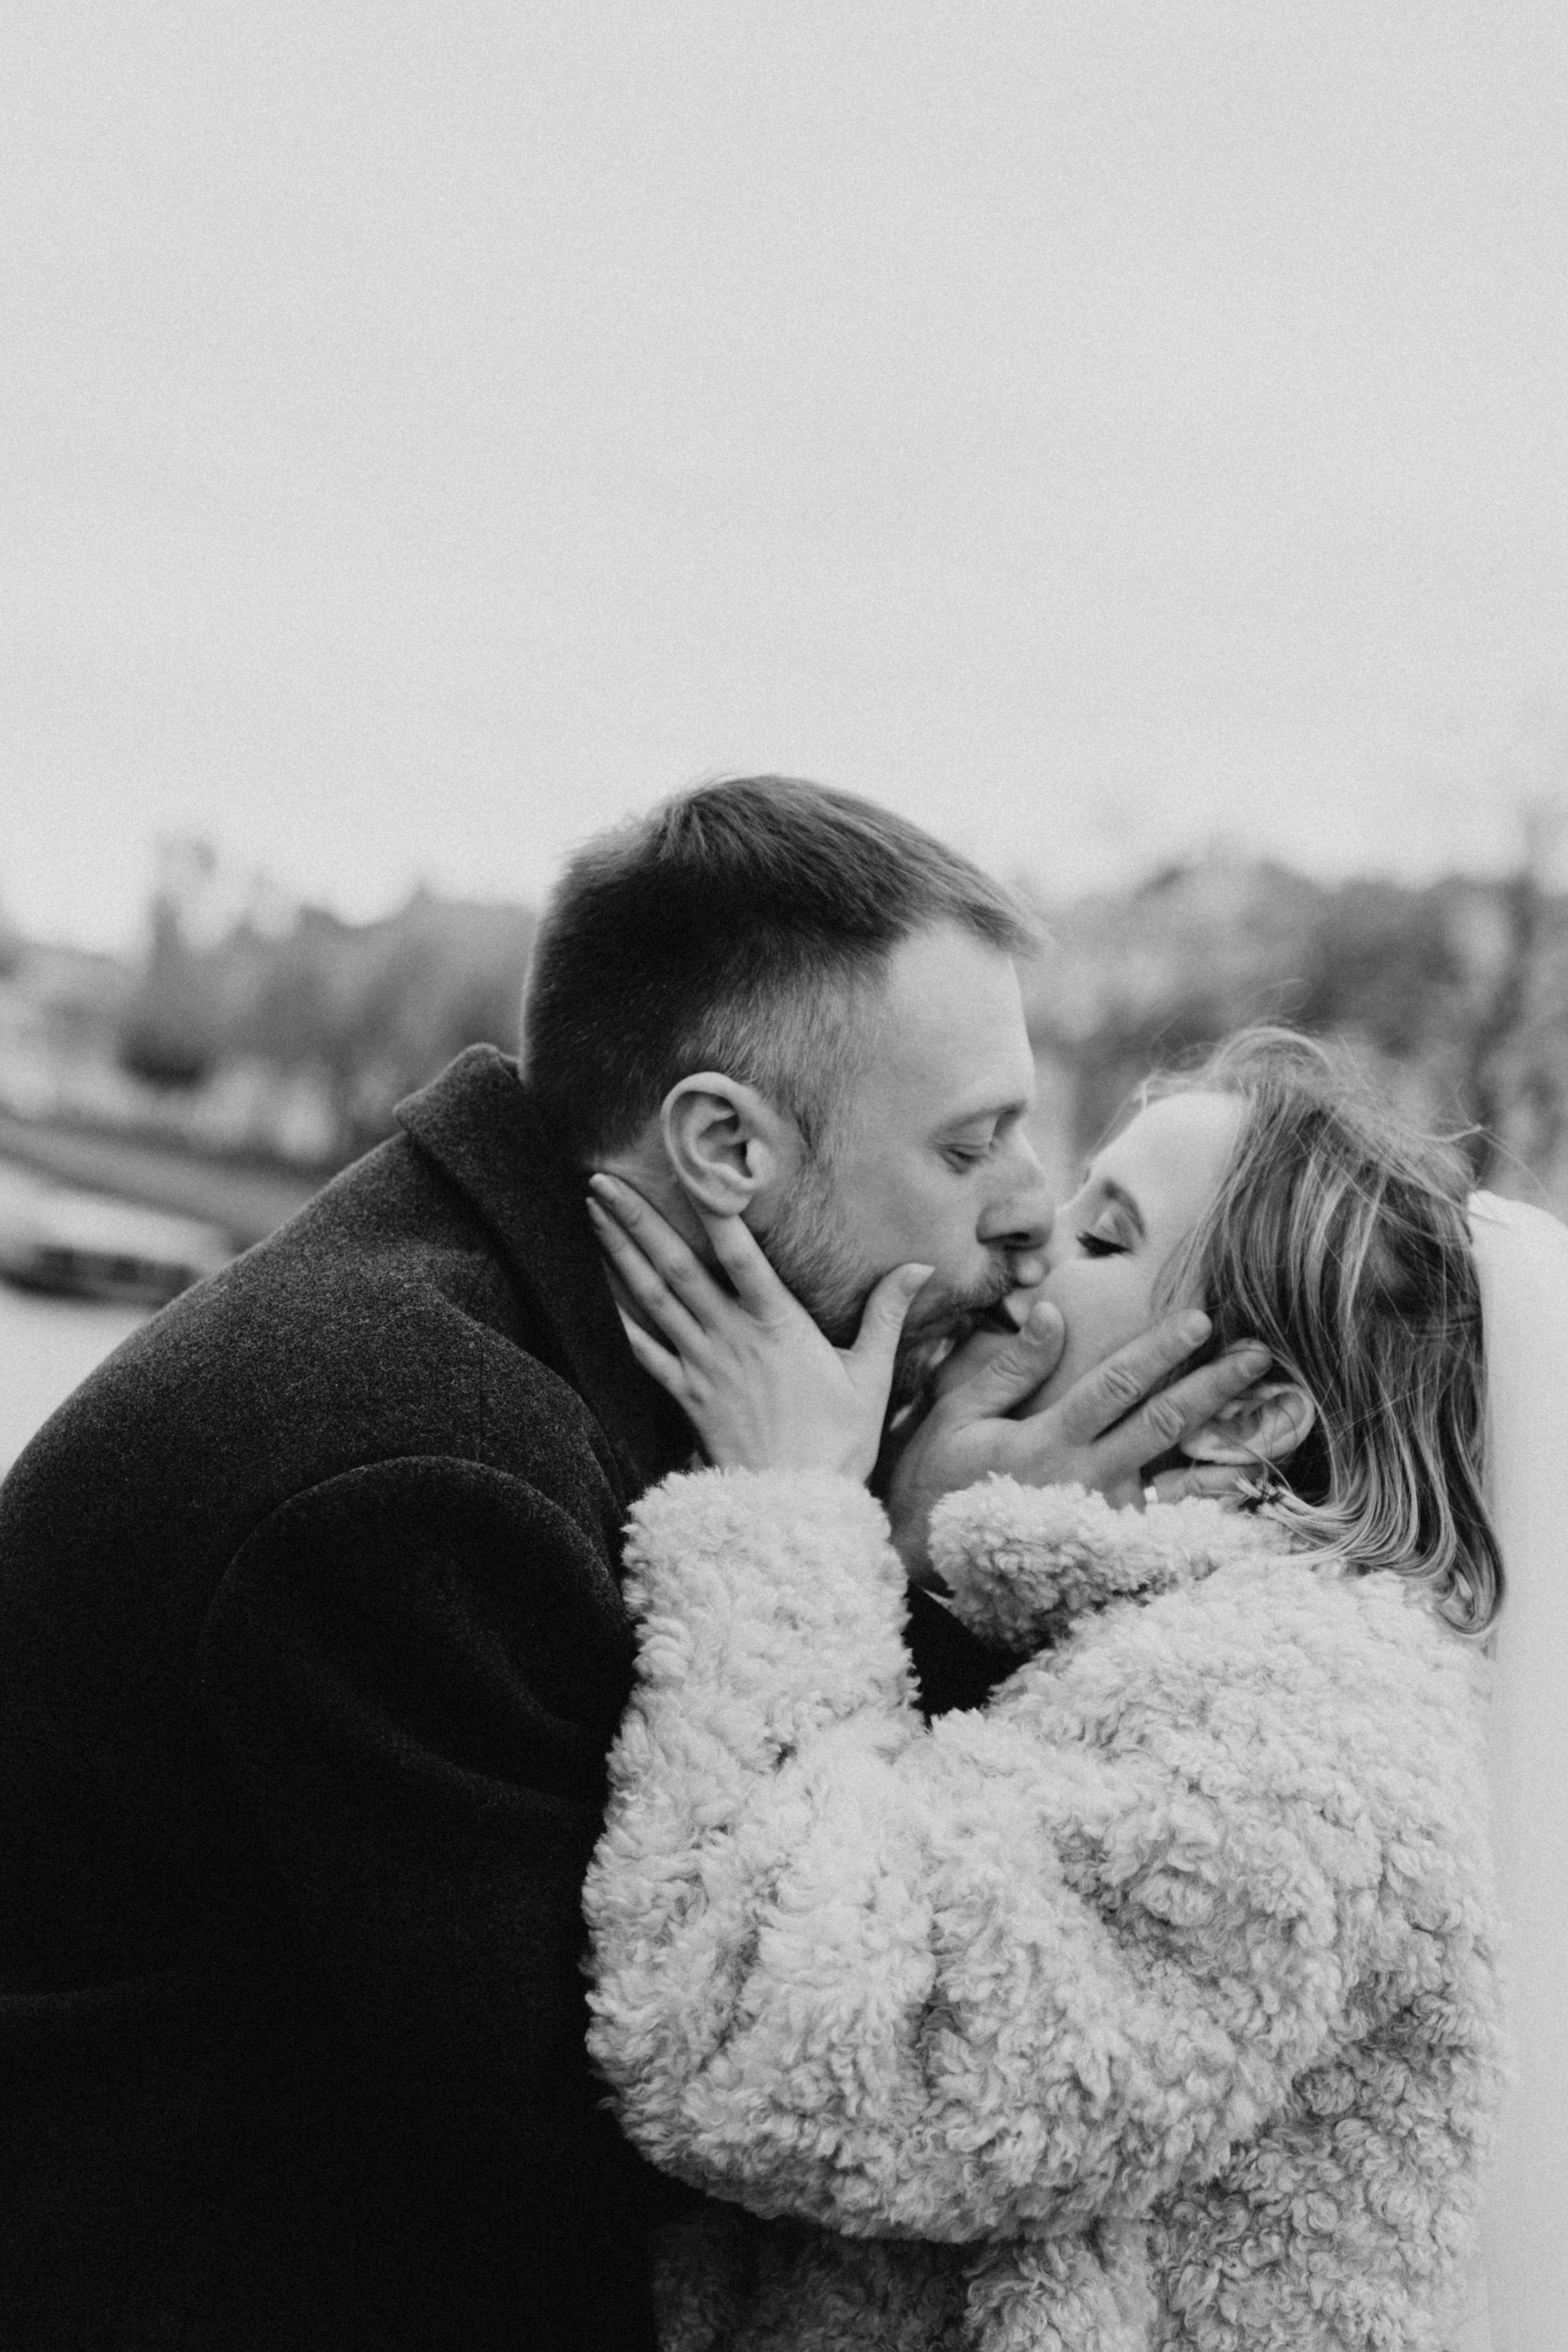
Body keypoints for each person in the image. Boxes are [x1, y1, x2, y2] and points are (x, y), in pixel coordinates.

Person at [0, 777, 1264, 2351]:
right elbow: (656, 2115)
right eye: (970, 1145)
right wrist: (915, 1582)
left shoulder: (509, 1328)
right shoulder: (421, 1472)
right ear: (724, 1145)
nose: (1030, 1211)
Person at [586, 1028, 1508, 2352]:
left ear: (1245, 1418)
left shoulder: (1298, 1736)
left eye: (1105, 1235)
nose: (1028, 1242)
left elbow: (773, 2045)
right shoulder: (1131, 1640)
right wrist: (900, 1546)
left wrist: (788, 1507)